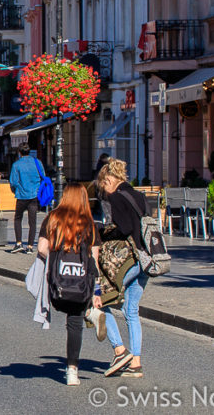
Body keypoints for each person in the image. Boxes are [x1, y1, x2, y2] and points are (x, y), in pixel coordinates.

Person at [37, 182, 106, 386]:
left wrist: (58, 253)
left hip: (58, 284)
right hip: (81, 283)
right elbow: (94, 261)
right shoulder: (89, 224)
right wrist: (97, 291)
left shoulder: (53, 219)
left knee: (61, 305)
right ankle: (72, 371)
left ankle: (88, 313)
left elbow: (42, 248)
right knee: (74, 323)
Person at [97, 158, 150, 379]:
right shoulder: (138, 195)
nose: (104, 191)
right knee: (131, 311)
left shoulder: (117, 197)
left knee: (101, 300)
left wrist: (103, 232)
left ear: (109, 179)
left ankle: (120, 351)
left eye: (103, 186)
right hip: (147, 259)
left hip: (130, 259)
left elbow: (125, 228)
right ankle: (135, 363)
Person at [9, 143, 43, 254]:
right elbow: (42, 176)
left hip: (21, 195)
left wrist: (16, 190)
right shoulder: (37, 163)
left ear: (19, 152)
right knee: (32, 222)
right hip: (33, 195)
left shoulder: (16, 165)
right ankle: (30, 246)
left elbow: (13, 181)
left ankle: (19, 243)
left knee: (18, 218)